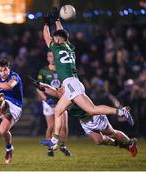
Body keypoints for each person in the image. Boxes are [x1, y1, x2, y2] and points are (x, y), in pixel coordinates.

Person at [41, 9, 134, 148]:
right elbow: (61, 33)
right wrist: (57, 20)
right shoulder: (69, 47)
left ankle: (120, 111)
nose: (53, 39)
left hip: (71, 83)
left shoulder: (57, 48)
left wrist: (46, 23)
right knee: (58, 110)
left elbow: (46, 38)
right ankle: (54, 140)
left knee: (91, 110)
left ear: (59, 39)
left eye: (56, 38)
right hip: (72, 83)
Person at [37, 82, 138, 157]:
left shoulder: (72, 96)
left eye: (62, 87)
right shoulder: (62, 96)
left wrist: (45, 88)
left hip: (94, 117)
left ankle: (130, 142)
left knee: (111, 133)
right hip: (84, 122)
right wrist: (41, 86)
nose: (59, 89)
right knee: (98, 141)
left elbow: (55, 92)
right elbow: (53, 91)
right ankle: (122, 145)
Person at [37, 50, 71, 156]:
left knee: (64, 126)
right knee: (51, 126)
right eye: (50, 56)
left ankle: (62, 145)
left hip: (61, 101)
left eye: (53, 56)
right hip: (48, 102)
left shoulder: (62, 71)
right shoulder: (43, 71)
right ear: (48, 58)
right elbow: (39, 88)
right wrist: (46, 99)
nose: (52, 58)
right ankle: (50, 148)